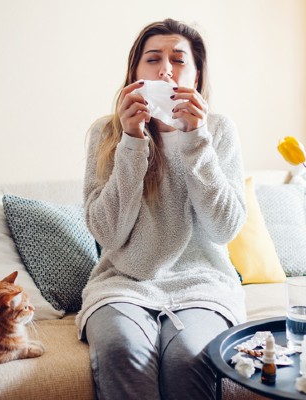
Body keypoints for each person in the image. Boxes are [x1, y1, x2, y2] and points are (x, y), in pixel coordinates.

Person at [75, 18, 247, 400]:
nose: (166, 68)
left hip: (203, 284)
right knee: (123, 349)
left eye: (178, 60)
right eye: (153, 59)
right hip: (123, 286)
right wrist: (132, 144)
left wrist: (195, 139)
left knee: (191, 355)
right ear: (135, 74)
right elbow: (106, 233)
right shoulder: (106, 134)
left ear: (197, 76)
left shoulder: (218, 131)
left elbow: (224, 229)